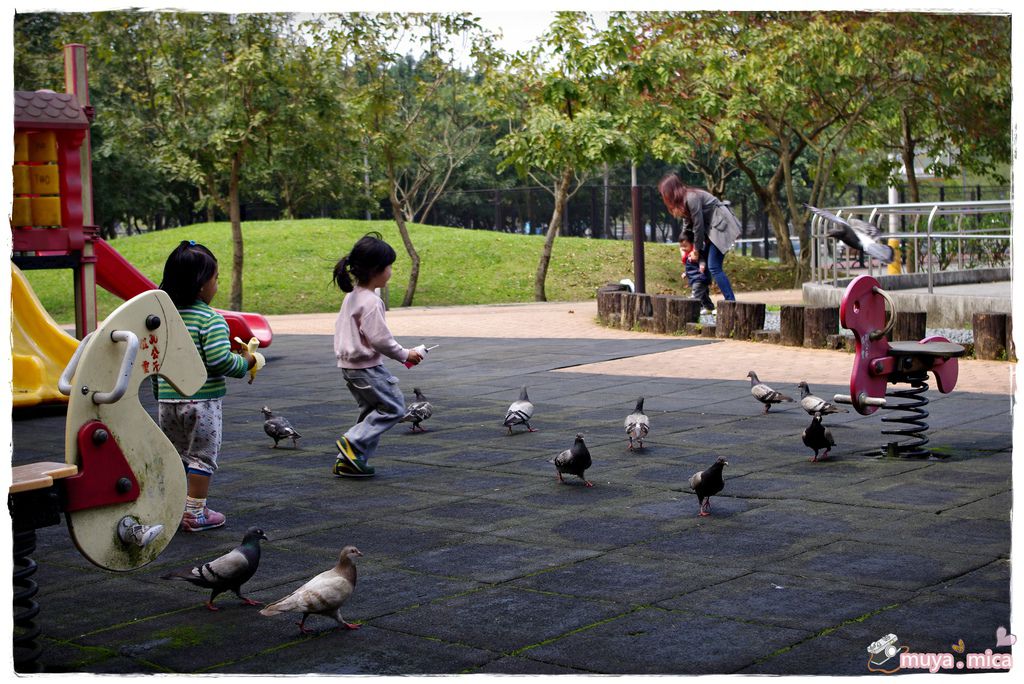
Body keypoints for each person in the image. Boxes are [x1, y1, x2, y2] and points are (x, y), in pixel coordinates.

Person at [157, 240, 256, 532]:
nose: (217, 285)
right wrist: (246, 362)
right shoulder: (211, 320)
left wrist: (160, 394)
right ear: (202, 285)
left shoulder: (163, 320)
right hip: (201, 403)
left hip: (167, 401)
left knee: (177, 456)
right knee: (202, 457)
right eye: (216, 279)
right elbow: (220, 361)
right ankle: (195, 513)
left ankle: (174, 508)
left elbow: (155, 360)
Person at [333, 232, 423, 478]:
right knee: (394, 407)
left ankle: (349, 461)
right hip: (366, 368)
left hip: (349, 367)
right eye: (389, 266)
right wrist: (405, 354)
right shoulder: (371, 302)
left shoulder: (352, 296)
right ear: (376, 270)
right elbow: (380, 340)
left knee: (371, 411)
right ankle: (352, 441)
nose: (391, 271)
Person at [659, 173, 741, 304]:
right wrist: (684, 244)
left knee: (714, 266)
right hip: (712, 230)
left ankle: (731, 302)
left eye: (665, 193)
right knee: (705, 266)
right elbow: (687, 225)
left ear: (672, 191)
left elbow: (698, 225)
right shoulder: (684, 202)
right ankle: (705, 303)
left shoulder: (691, 198)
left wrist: (696, 250)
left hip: (721, 226)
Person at [679, 229, 715, 314]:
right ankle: (709, 307)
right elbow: (690, 268)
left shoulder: (695, 253)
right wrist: (685, 273)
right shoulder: (687, 256)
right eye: (681, 246)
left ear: (692, 244)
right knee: (704, 296)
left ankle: (695, 308)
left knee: (696, 294)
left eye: (685, 246)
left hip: (699, 278)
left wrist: (702, 266)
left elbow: (702, 260)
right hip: (695, 278)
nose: (683, 248)